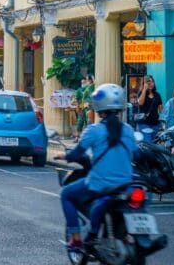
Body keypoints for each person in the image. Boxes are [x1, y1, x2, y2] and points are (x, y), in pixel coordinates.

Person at [54, 83, 138, 252]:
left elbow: (76, 154)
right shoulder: (128, 130)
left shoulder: (93, 130)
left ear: (98, 107)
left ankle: (76, 239)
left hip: (101, 184)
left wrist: (63, 155)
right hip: (126, 184)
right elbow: (136, 155)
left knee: (66, 194)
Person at [136, 75, 163, 141]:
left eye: (152, 82)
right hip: (144, 124)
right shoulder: (141, 93)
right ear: (144, 84)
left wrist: (161, 114)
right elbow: (140, 103)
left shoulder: (157, 95)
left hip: (156, 124)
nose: (151, 84)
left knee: (154, 144)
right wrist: (144, 89)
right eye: (148, 82)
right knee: (148, 144)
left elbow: (161, 109)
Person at [72, 77, 87, 143]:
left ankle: (86, 138)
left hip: (88, 108)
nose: (83, 83)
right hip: (81, 108)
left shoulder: (89, 89)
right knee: (80, 122)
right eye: (82, 83)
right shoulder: (79, 90)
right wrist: (77, 107)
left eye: (84, 82)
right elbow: (77, 99)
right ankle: (77, 137)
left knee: (88, 123)